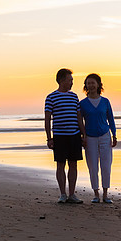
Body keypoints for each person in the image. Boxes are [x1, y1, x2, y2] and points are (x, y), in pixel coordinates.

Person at [45, 68, 86, 204]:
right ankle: (63, 194)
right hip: (59, 136)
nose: (72, 83)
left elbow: (79, 117)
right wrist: (49, 138)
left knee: (73, 164)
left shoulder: (74, 96)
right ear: (62, 80)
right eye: (70, 80)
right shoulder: (51, 97)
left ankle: (72, 194)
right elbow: (47, 119)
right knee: (60, 165)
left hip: (74, 135)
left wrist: (83, 135)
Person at [79, 73, 117, 204]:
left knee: (106, 166)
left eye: (93, 83)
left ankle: (105, 194)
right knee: (92, 166)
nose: (91, 85)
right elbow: (80, 122)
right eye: (88, 83)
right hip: (90, 138)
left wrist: (114, 134)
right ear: (86, 86)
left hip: (105, 136)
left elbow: (110, 119)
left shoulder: (105, 101)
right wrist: (82, 136)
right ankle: (96, 194)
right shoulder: (82, 104)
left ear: (98, 84)